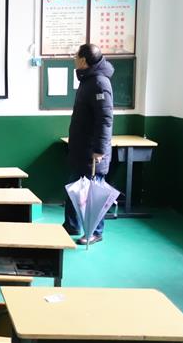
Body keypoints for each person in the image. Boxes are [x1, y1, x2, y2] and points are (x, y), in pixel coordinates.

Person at [63, 43, 114, 245]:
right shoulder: (88, 80)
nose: (74, 58)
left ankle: (95, 232)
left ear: (83, 60)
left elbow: (105, 119)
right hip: (81, 149)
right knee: (74, 188)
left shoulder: (99, 83)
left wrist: (99, 150)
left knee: (94, 193)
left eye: (76, 55)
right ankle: (71, 225)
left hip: (93, 152)